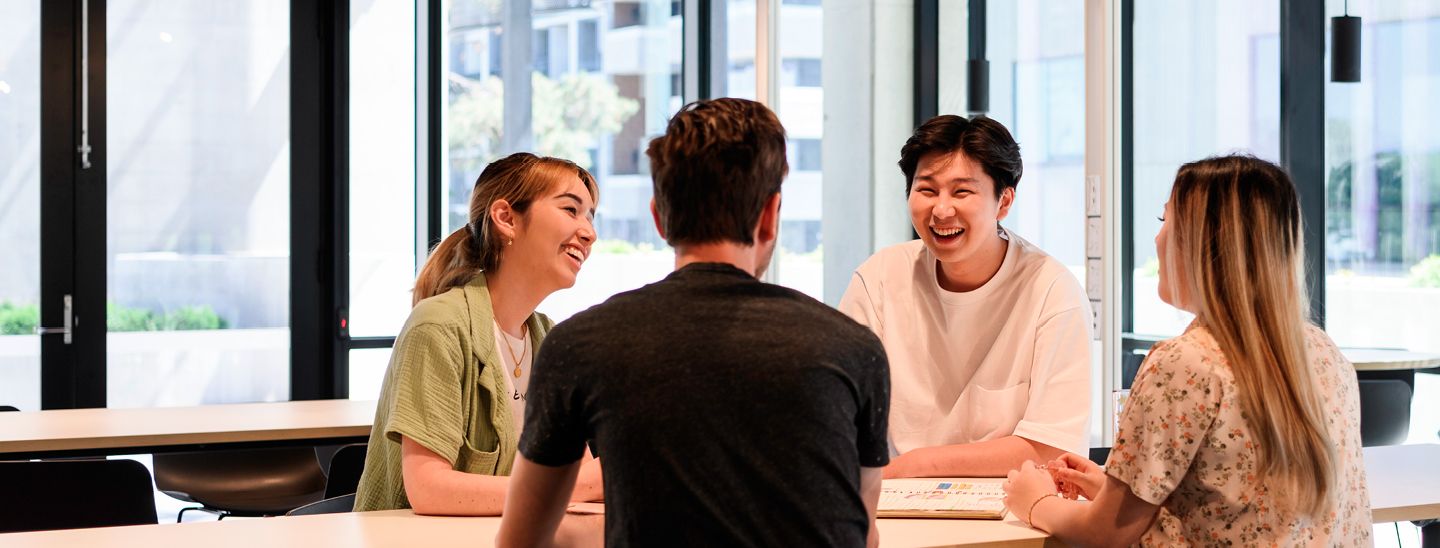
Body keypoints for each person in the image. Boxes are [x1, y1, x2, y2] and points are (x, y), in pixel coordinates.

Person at [497, 98, 892, 547]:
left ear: (659, 218)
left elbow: (521, 541)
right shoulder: (854, 350)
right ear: (770, 216)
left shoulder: (579, 346)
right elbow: (862, 532)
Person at [1002, 155, 1371, 545]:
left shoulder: (1184, 363)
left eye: (1166, 222)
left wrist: (1036, 501)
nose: (1157, 239)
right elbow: (1243, 501)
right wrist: (1113, 487)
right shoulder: (1324, 354)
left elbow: (1105, 534)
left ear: (1205, 242)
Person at [838, 114, 1092, 478]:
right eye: (926, 189)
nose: (941, 210)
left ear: (1003, 202)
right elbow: (839, 406)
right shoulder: (879, 278)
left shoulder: (1051, 289)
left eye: (961, 192)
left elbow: (1053, 445)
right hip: (895, 505)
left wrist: (919, 463)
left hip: (1011, 511)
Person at [353, 152, 604, 515]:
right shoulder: (439, 326)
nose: (590, 233)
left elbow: (575, 470)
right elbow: (429, 489)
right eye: (571, 210)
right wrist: (590, 480)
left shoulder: (550, 339)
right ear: (506, 218)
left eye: (591, 217)